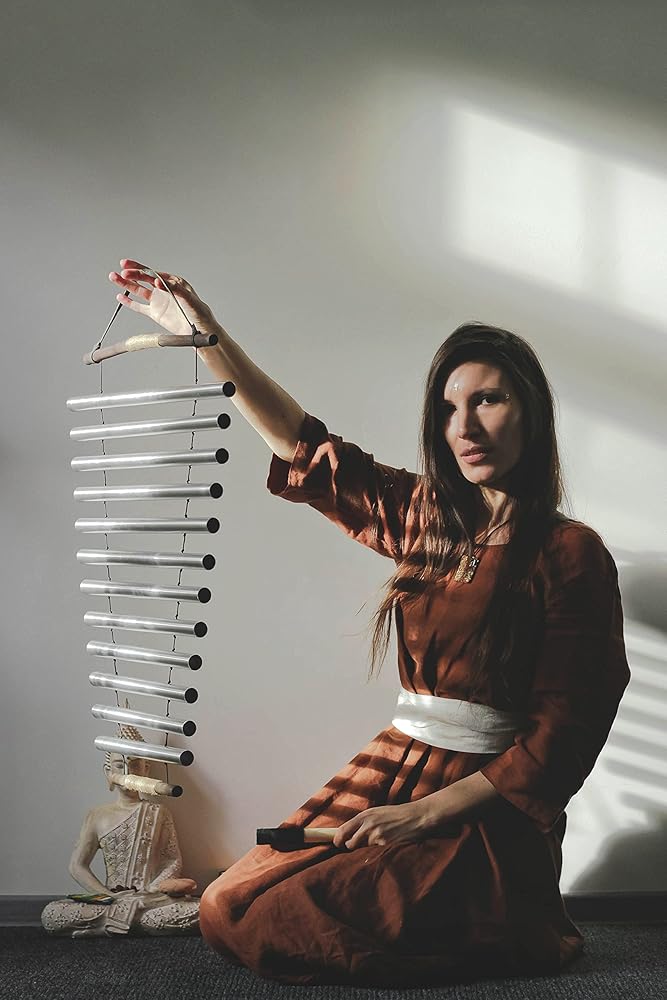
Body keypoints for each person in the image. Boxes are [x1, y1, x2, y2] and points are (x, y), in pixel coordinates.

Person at [107, 260, 630, 985]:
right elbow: (303, 445)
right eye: (448, 408)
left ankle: (502, 922)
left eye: (488, 400)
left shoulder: (570, 553)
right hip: (397, 763)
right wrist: (205, 335)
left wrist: (423, 816)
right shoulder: (426, 517)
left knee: (287, 919)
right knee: (230, 903)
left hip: (487, 804)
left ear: (532, 412)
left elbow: (563, 736)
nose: (464, 427)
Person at [41, 726, 199, 937]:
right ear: (108, 773)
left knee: (200, 909)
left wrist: (151, 891)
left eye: (134, 765)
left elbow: (172, 860)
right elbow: (77, 866)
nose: (127, 773)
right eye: (119, 765)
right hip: (111, 899)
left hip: (150, 900)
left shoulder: (157, 812)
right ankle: (128, 921)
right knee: (52, 913)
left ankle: (108, 926)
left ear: (146, 769)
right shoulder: (97, 815)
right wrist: (108, 896)